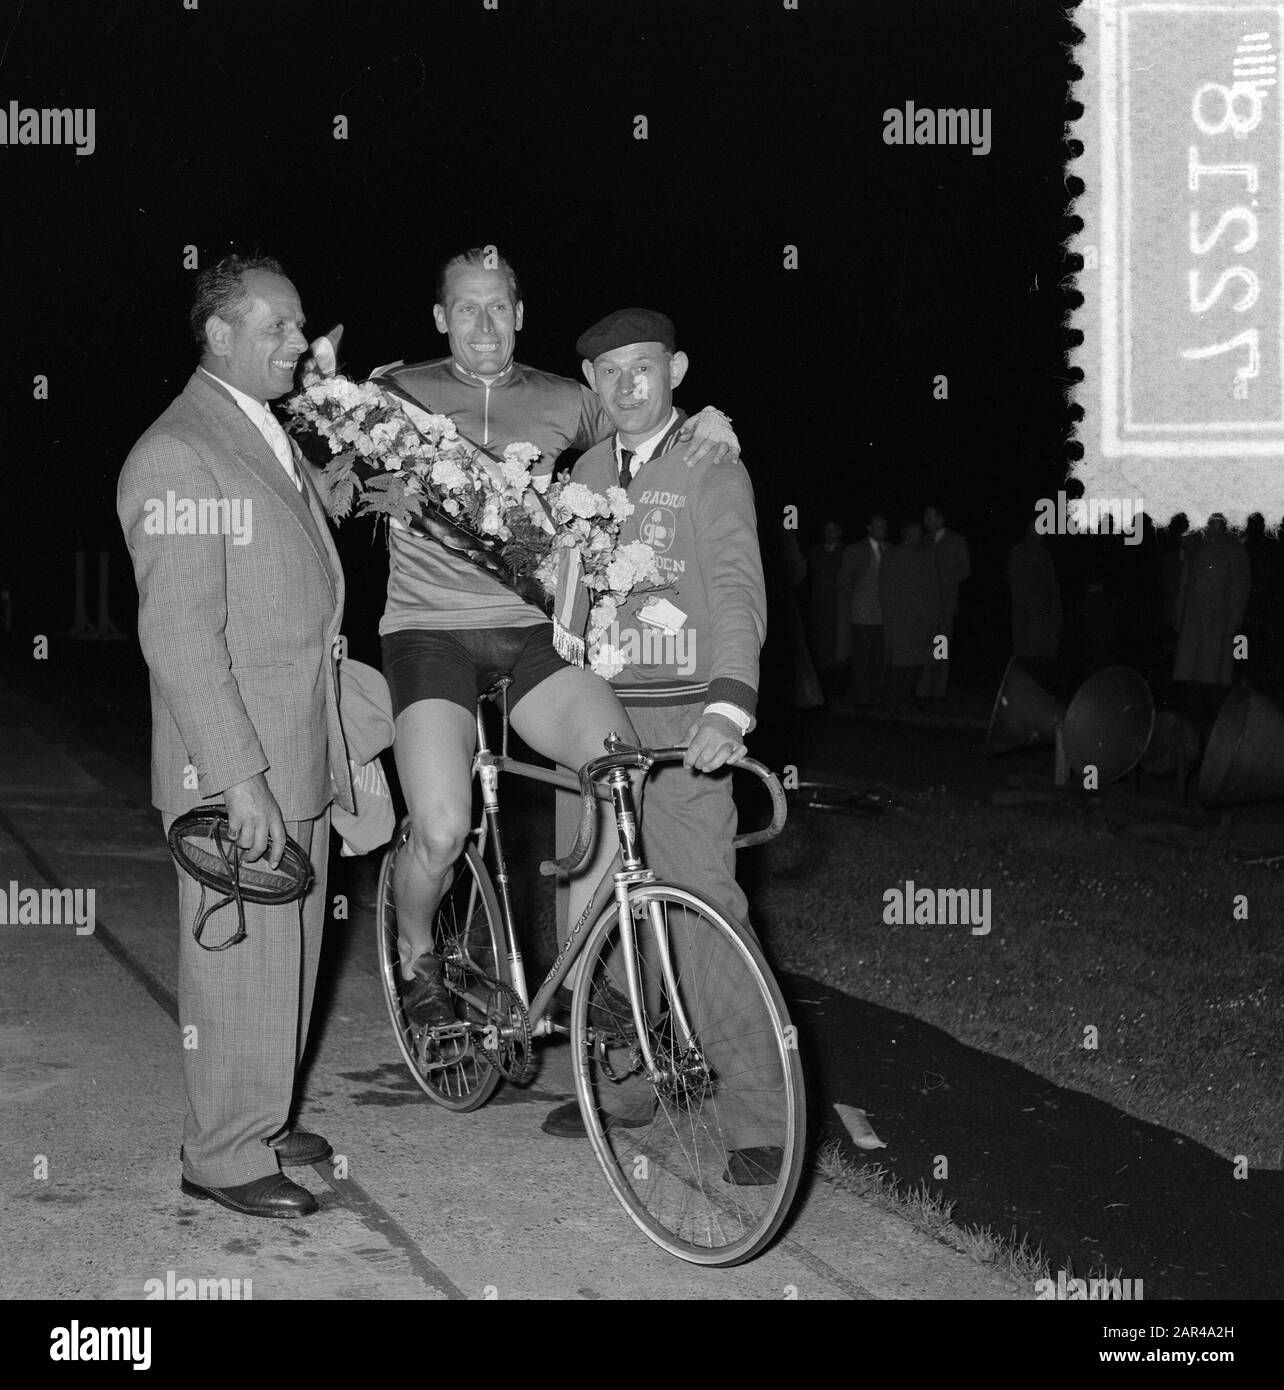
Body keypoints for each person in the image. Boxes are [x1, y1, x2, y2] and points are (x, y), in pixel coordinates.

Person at [372, 250, 736, 1028]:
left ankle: (576, 970)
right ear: (441, 319)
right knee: (439, 828)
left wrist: (710, 418)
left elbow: (649, 418)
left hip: (536, 633)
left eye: (498, 307)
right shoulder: (396, 393)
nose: (483, 325)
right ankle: (416, 960)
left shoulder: (566, 398)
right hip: (428, 633)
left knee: (618, 772)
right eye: (465, 309)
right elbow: (323, 466)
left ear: (521, 313)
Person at [117, 254, 354, 1219]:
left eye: (300, 325)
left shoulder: (256, 432)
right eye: (281, 327)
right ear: (219, 335)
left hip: (298, 743)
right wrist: (238, 780)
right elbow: (177, 633)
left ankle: (261, 1111)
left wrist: (322, 504)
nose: (303, 342)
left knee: (286, 957)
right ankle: (222, 1153)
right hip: (241, 761)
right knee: (240, 959)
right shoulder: (178, 454)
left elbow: (268, 551)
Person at [538, 308, 782, 1185]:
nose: (626, 385)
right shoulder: (585, 472)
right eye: (607, 373)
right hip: (596, 713)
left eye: (642, 367)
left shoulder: (712, 461)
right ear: (592, 387)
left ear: (676, 369)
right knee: (599, 908)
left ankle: (759, 1115)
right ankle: (631, 1086)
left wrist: (730, 708)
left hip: (684, 724)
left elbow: (736, 590)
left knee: (695, 904)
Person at [1173, 513, 1251, 725]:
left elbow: (1240, 587)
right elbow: (1185, 583)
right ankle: (1192, 729)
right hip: (1192, 622)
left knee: (1213, 680)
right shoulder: (1194, 546)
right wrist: (1179, 616)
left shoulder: (1233, 549)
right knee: (1190, 680)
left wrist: (1234, 619)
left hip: (1217, 624)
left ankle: (1211, 728)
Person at [880, 520, 938, 711]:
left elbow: (932, 588)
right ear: (904, 533)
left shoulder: (926, 556)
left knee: (913, 660)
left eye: (917, 532)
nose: (915, 535)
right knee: (903, 660)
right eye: (912, 531)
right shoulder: (893, 555)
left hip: (915, 617)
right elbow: (885, 588)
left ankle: (903, 699)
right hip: (903, 617)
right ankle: (898, 700)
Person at [917, 504, 971, 698]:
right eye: (925, 517)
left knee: (941, 648)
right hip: (924, 605)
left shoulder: (955, 541)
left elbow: (965, 569)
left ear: (940, 519)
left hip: (944, 605)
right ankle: (923, 689)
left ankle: (938, 690)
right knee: (924, 647)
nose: (926, 521)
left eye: (930, 517)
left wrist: (944, 579)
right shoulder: (922, 541)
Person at [837, 513, 888, 707]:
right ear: (870, 528)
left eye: (885, 525)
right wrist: (858, 601)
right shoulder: (855, 550)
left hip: (884, 615)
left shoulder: (890, 550)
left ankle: (876, 695)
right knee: (861, 658)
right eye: (879, 525)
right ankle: (860, 697)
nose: (883, 529)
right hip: (863, 615)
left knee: (878, 658)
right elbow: (842, 581)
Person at [1006, 518, 1061, 684]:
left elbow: (1052, 584)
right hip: (1027, 611)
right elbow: (1013, 578)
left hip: (1042, 613)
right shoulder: (1020, 550)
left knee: (1039, 653)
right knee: (1028, 653)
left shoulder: (1045, 553)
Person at [805, 519, 849, 692]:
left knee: (838, 646)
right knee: (821, 645)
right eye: (827, 530)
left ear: (839, 532)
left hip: (838, 605)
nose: (830, 534)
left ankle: (839, 685)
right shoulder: (815, 552)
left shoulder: (845, 551)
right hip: (819, 605)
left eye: (834, 530)